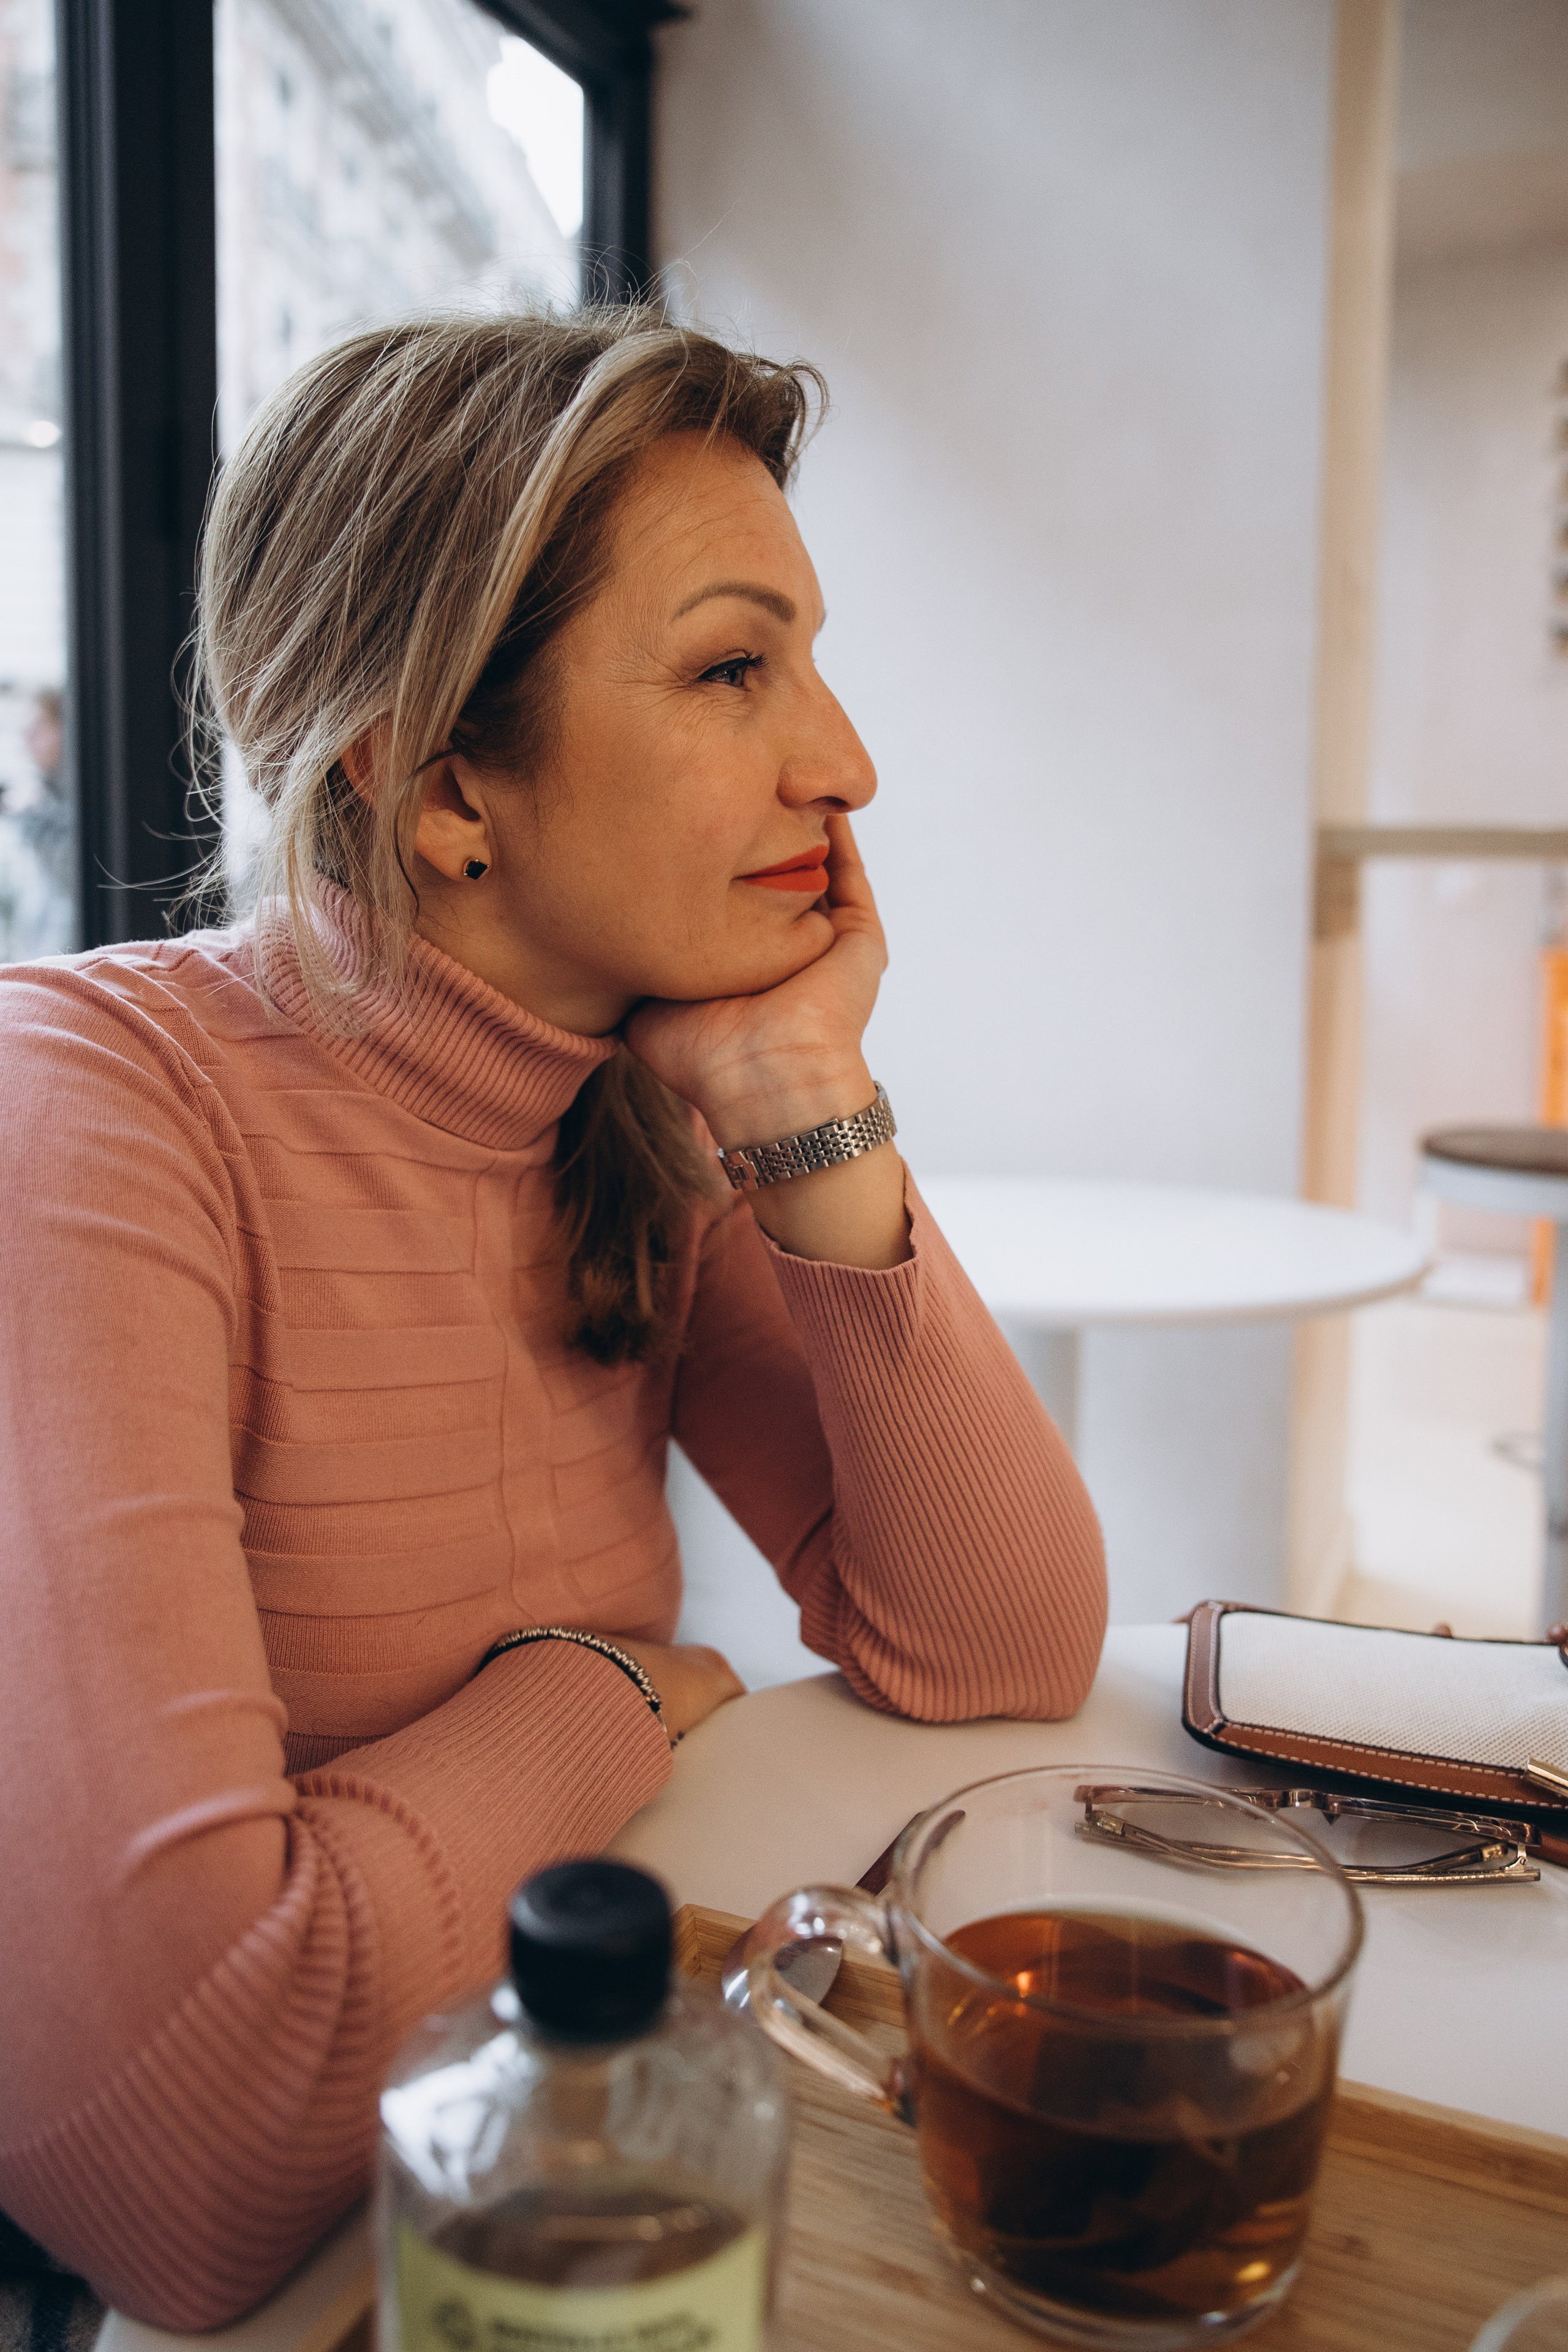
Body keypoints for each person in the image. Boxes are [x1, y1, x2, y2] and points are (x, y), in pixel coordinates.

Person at [0, 309, 1106, 2328]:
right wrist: (608, 1694)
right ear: (444, 792)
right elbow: (190, 2149)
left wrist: (800, 1102)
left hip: (547, 2166)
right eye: (729, 666)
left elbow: (1004, 1645)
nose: (846, 762)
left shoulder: (635, 1119)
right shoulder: (89, 1114)